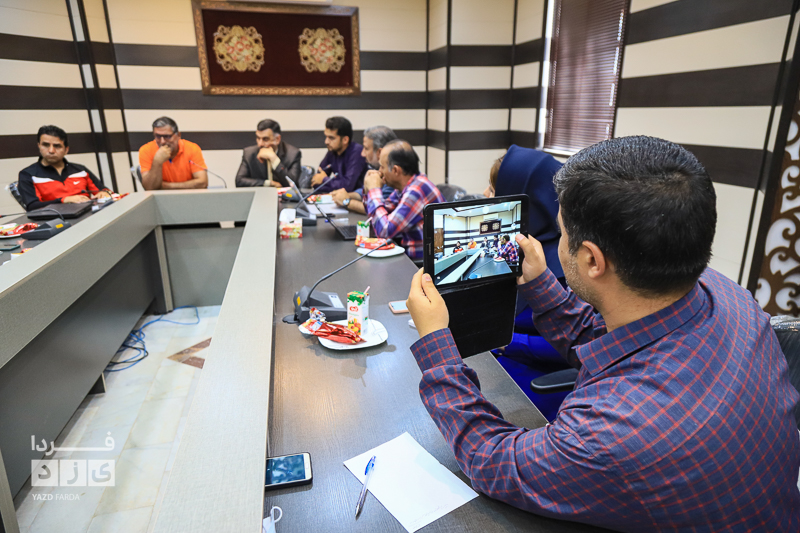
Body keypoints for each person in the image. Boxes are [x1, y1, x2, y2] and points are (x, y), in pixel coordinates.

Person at [406, 136, 800, 531]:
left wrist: (438, 344)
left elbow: (491, 459)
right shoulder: (729, 294)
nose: (558, 243)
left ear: (592, 259)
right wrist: (541, 285)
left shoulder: (612, 432)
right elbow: (606, 343)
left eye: (562, 232)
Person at [363, 140, 444, 259]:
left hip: (421, 264)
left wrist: (374, 190)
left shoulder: (417, 191)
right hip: (408, 257)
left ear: (395, 170)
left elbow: (384, 231)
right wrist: (368, 190)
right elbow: (377, 217)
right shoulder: (405, 187)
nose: (379, 171)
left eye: (382, 167)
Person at [18, 125, 112, 211]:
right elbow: (33, 207)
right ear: (39, 146)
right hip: (54, 220)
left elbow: (106, 191)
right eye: (45, 145)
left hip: (89, 215)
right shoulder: (28, 174)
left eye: (57, 146)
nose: (51, 151)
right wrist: (64, 200)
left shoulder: (81, 170)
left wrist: (105, 194)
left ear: (66, 150)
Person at [331, 125, 396, 214]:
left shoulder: (393, 172)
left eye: (366, 148)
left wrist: (347, 201)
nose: (362, 154)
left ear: (379, 152)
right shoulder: (377, 168)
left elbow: (379, 209)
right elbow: (364, 192)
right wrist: (344, 195)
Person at [138, 117, 208, 190]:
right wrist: (157, 162)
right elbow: (149, 187)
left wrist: (164, 186)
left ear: (178, 135)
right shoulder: (146, 150)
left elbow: (202, 183)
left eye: (167, 136)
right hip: (161, 196)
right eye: (158, 136)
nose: (162, 142)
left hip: (189, 195)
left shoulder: (192, 148)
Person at [235, 119, 301, 188]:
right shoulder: (249, 153)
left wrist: (274, 160)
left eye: (265, 139)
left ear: (277, 139)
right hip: (260, 194)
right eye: (258, 138)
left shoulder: (292, 154)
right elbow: (239, 181)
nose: (260, 144)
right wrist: (268, 183)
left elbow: (292, 184)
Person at [310, 116, 367, 193]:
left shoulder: (357, 152)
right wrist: (333, 186)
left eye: (331, 138)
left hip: (357, 198)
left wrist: (324, 179)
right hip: (338, 198)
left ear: (345, 140)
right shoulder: (332, 151)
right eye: (326, 136)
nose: (326, 141)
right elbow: (316, 182)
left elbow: (348, 186)